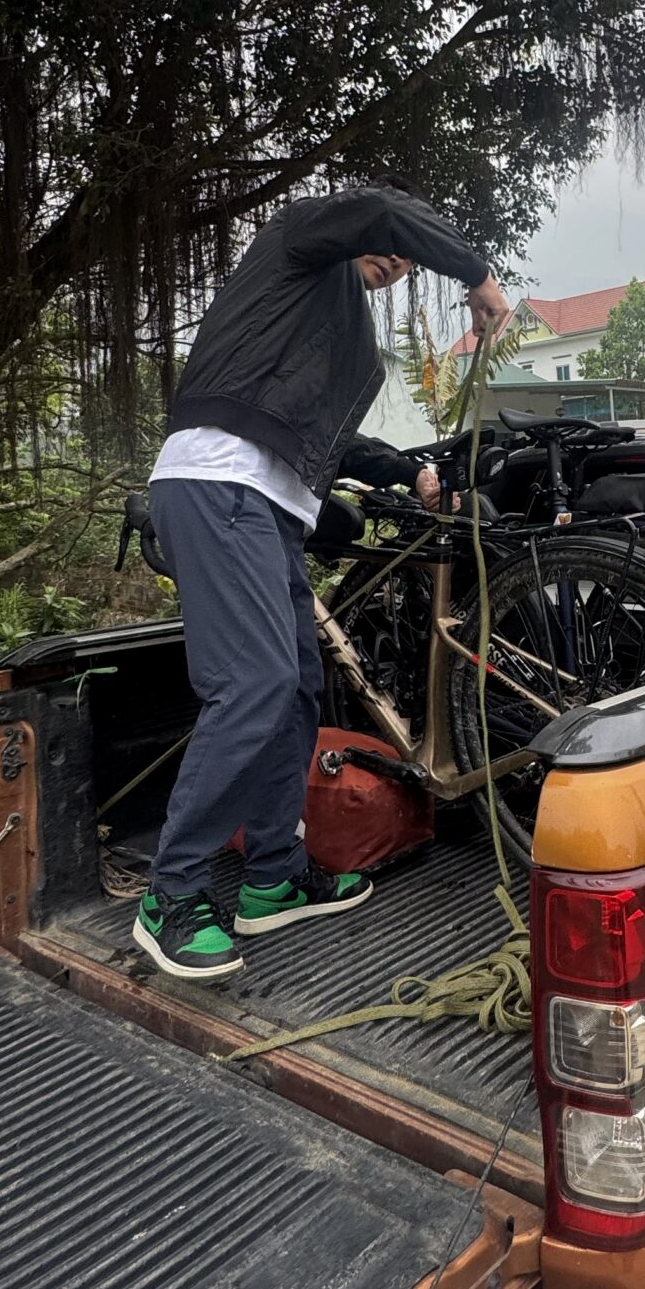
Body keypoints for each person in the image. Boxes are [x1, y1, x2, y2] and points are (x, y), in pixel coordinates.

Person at [132, 185, 507, 980]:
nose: (396, 258)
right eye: (393, 243)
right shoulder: (299, 240)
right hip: (217, 483)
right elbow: (378, 210)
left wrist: (409, 474)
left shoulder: (341, 335)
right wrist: (475, 273)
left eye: (406, 259)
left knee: (299, 686)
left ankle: (273, 878)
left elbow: (328, 440)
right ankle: (172, 891)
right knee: (254, 683)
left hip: (268, 506)